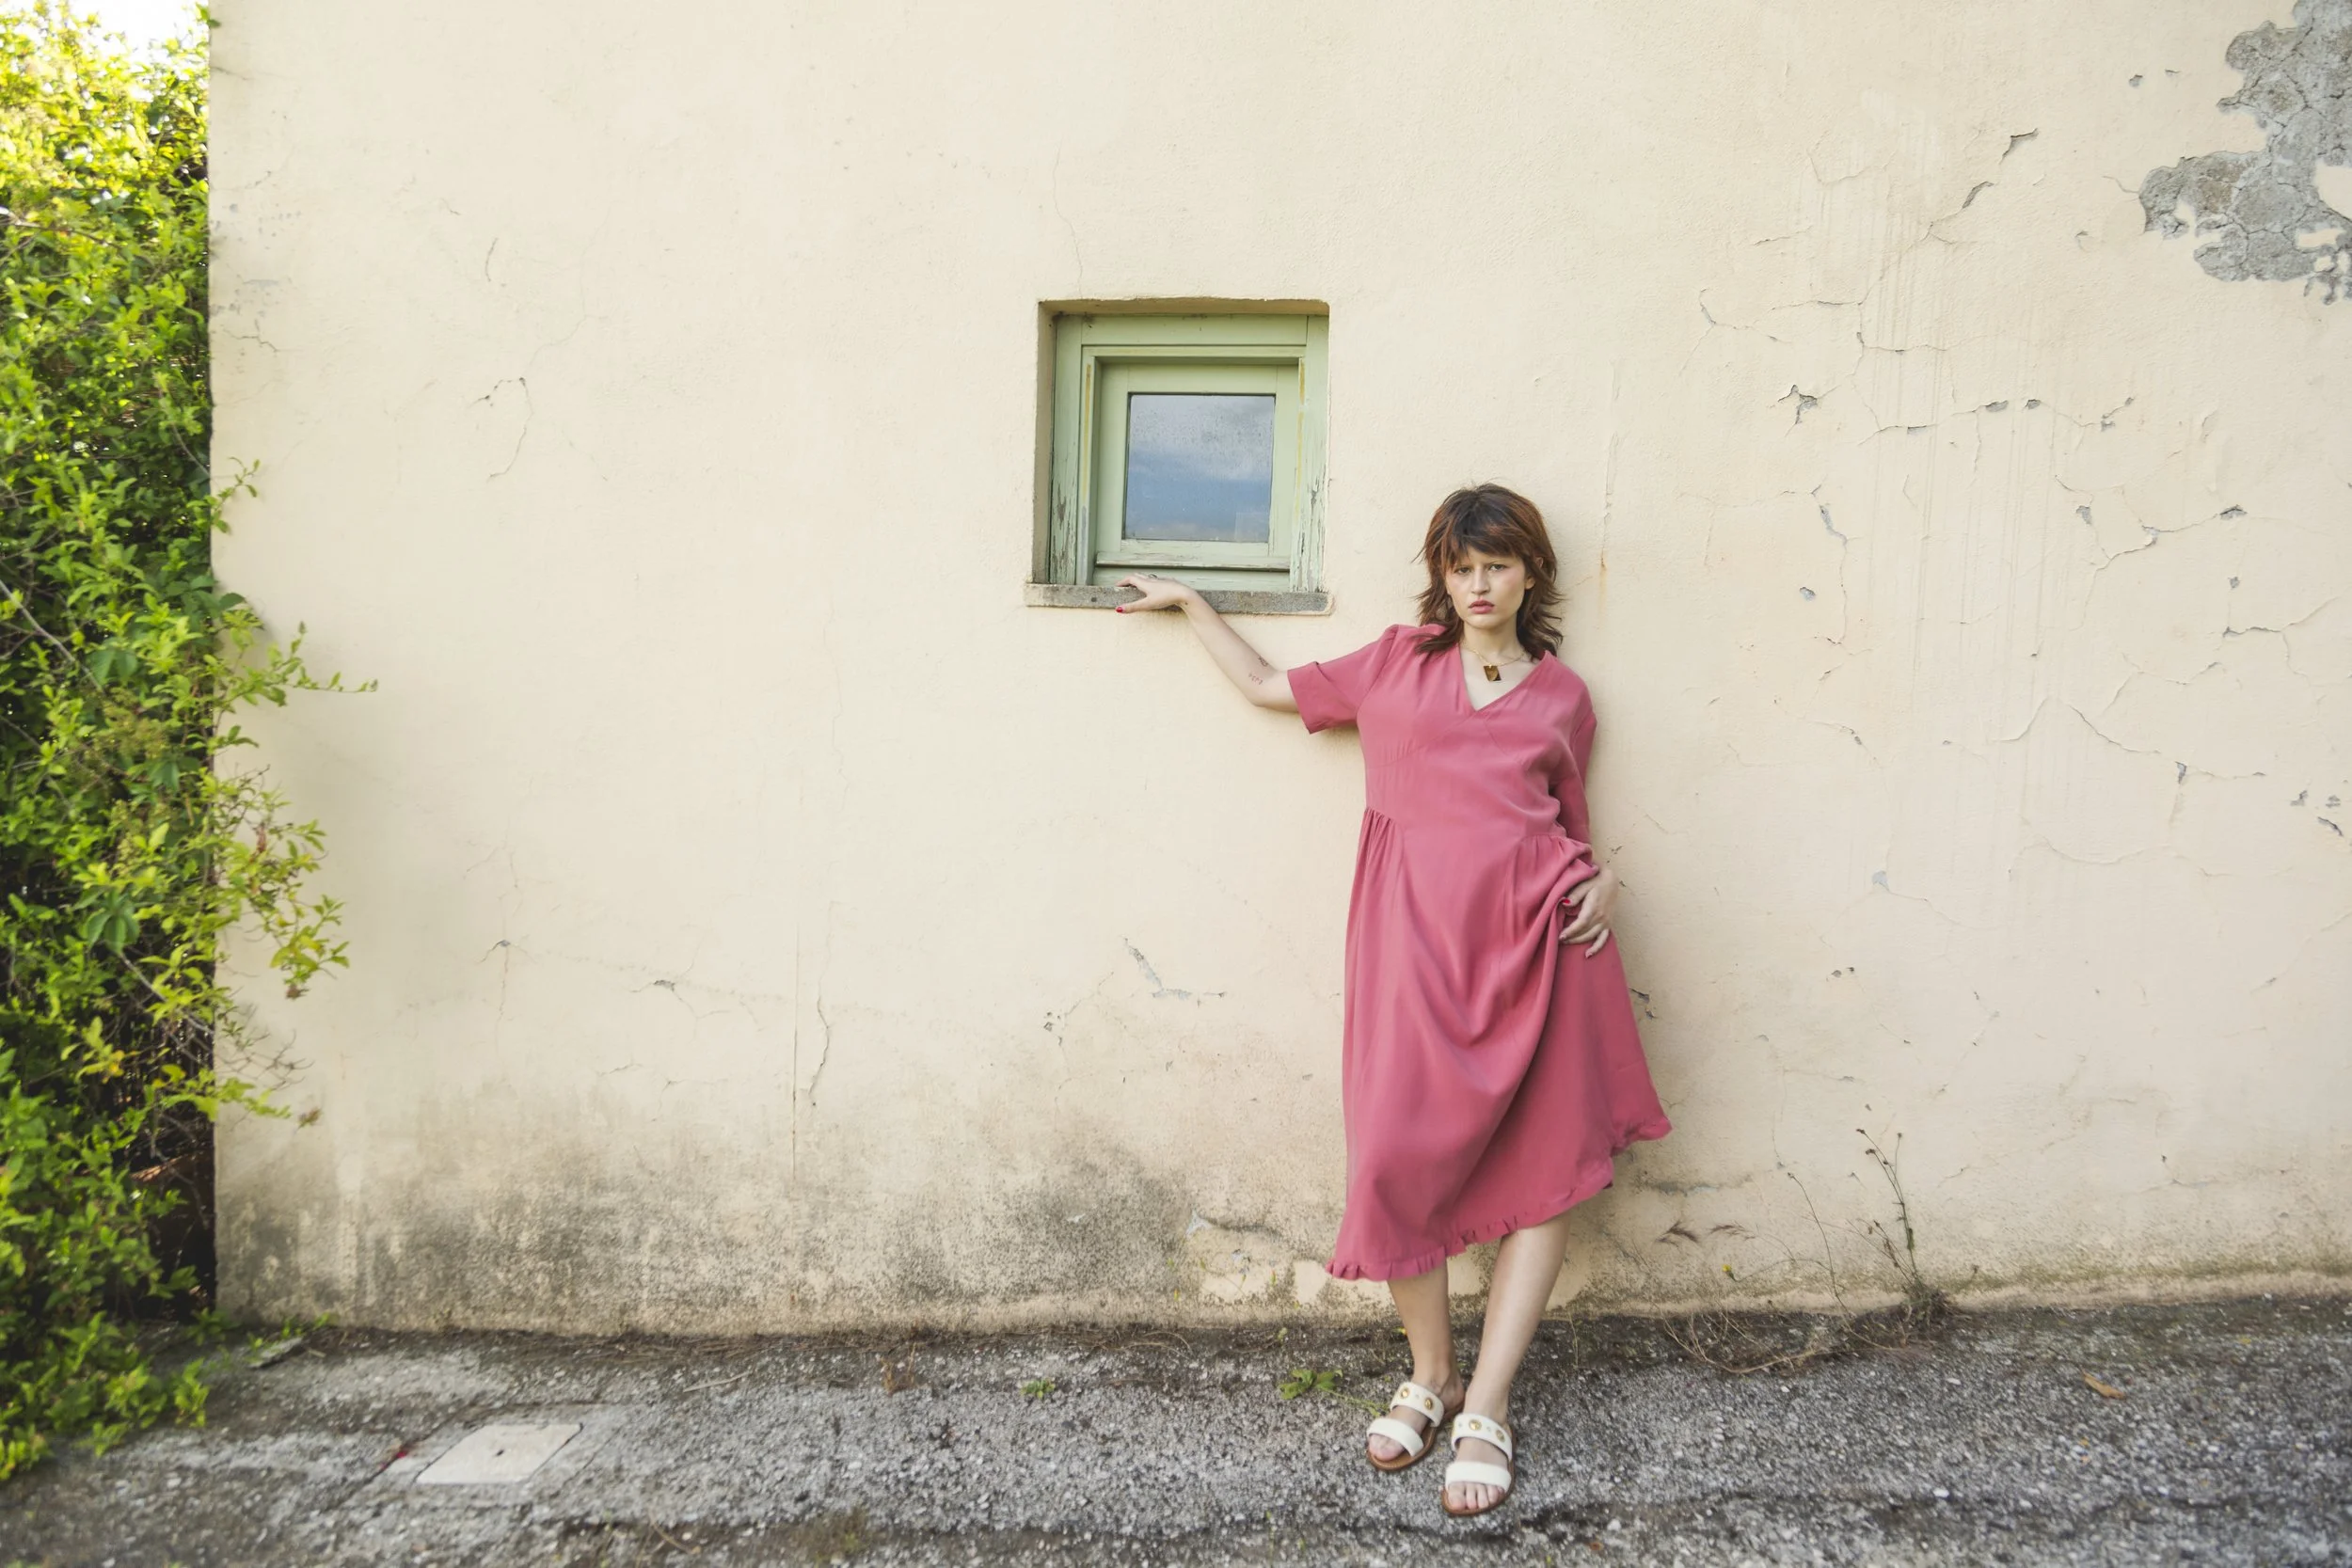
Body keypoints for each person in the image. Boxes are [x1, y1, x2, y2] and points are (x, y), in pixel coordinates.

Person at [1114, 483, 1673, 1518]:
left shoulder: (1565, 696)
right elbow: (1266, 685)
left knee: (1546, 1175)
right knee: (1388, 1160)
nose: (1478, 583)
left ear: (1528, 573)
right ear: (1441, 575)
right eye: (1461, 567)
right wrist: (1194, 602)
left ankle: (1486, 1405)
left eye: (1497, 564)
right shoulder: (1394, 661)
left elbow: (1568, 823)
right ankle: (1432, 1370)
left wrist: (1605, 880)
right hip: (1412, 949)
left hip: (1541, 945)